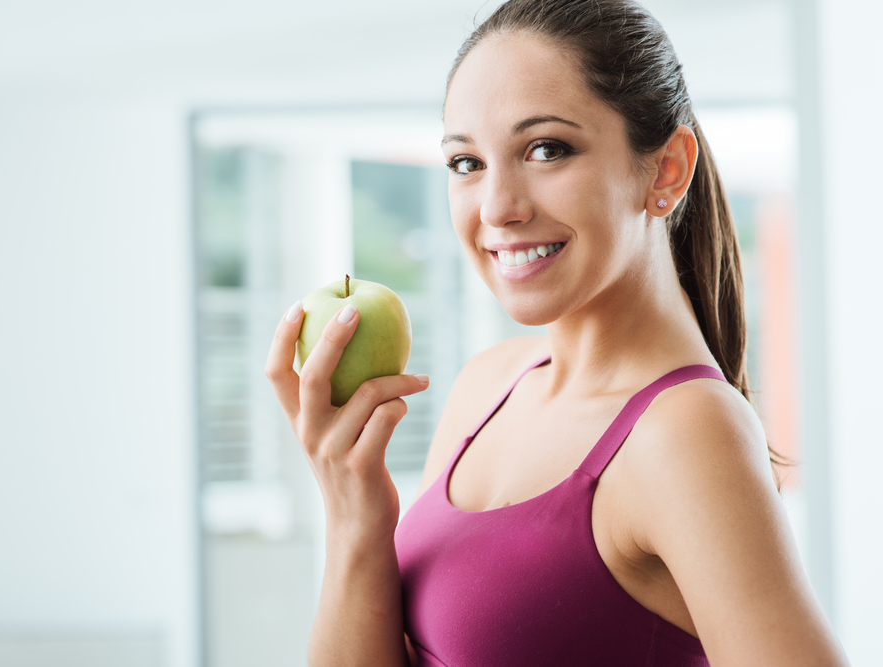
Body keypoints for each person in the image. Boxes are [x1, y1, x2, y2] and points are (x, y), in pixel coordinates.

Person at [265, 0, 849, 664]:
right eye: (466, 163)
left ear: (666, 171)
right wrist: (353, 515)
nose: (497, 207)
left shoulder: (686, 430)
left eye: (546, 149)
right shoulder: (489, 384)